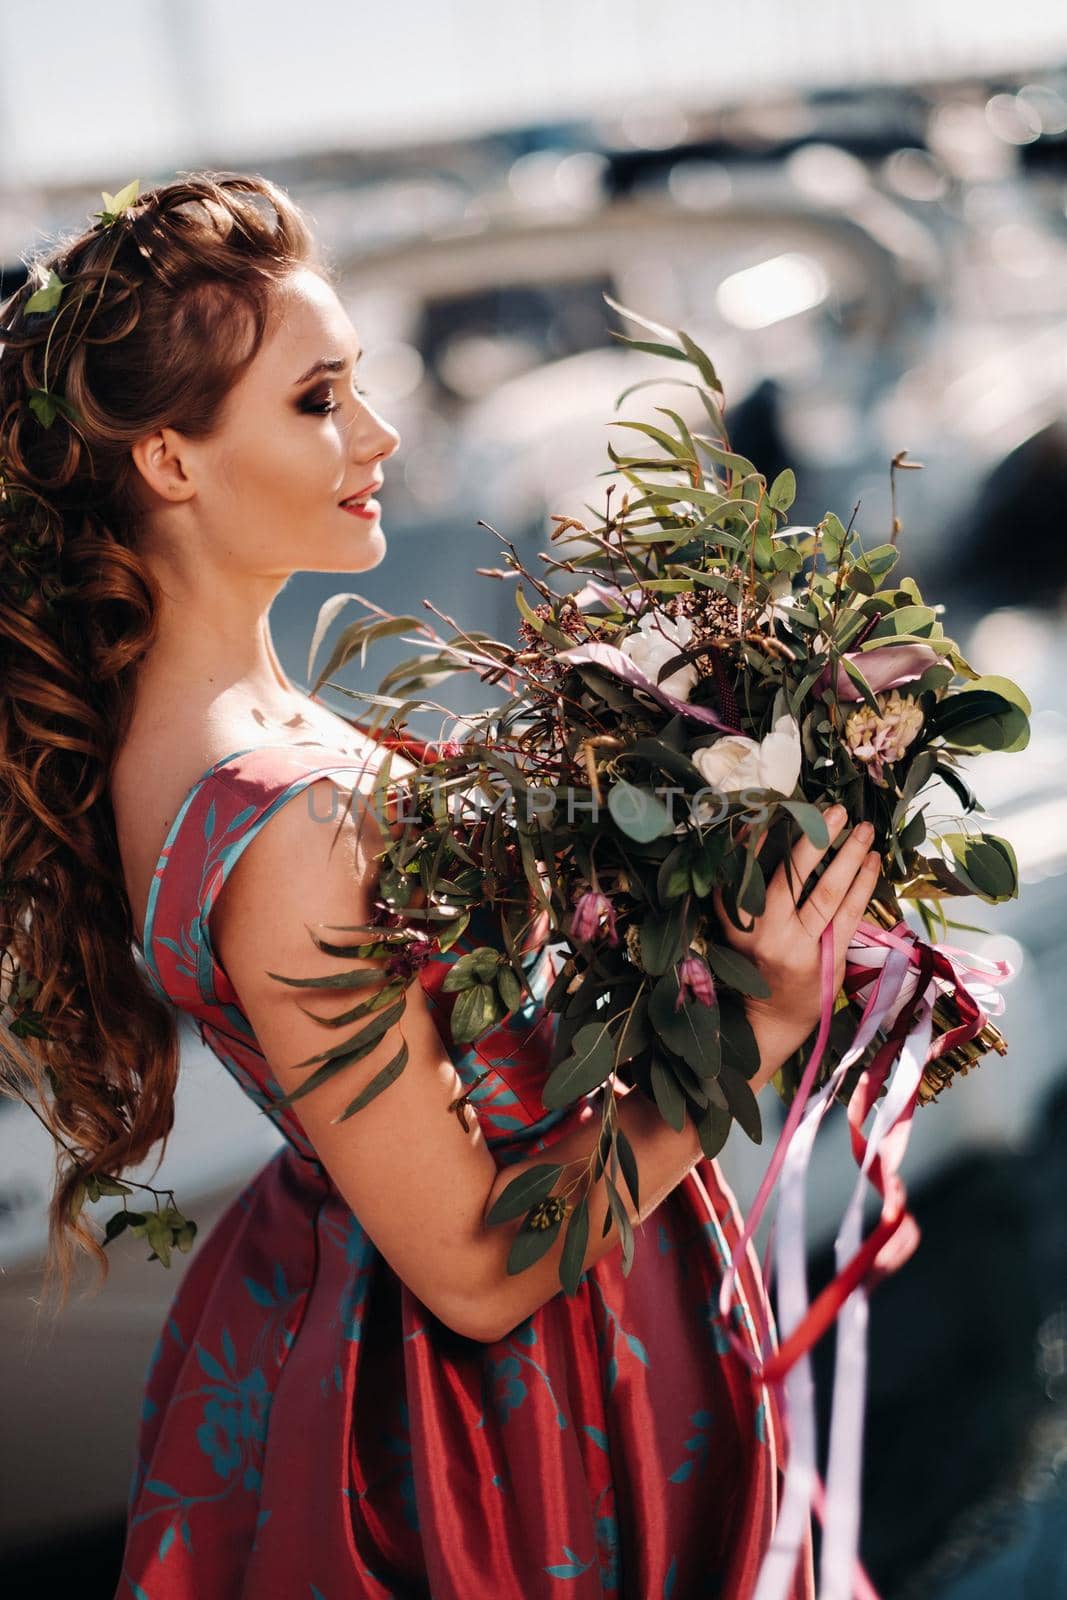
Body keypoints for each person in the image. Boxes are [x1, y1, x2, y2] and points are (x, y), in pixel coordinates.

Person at [0, 173, 880, 1599]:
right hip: (496, 1409)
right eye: (319, 399)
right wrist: (751, 1039)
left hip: (375, 1303)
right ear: (168, 461)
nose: (378, 432)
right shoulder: (274, 817)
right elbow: (475, 1264)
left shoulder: (201, 729)